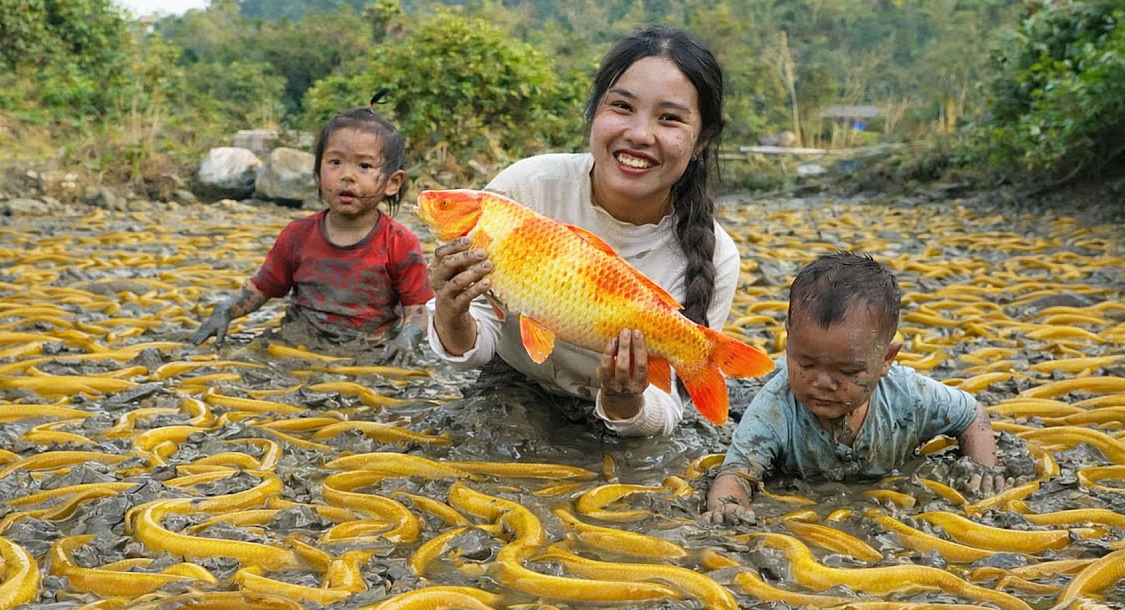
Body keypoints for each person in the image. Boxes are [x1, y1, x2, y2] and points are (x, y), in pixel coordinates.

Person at [426, 25, 740, 437]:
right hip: (515, 387)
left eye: (669, 118)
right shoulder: (525, 189)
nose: (640, 134)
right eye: (622, 107)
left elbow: (667, 407)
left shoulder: (717, 255)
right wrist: (451, 313)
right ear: (594, 111)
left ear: (701, 141)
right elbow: (474, 347)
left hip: (623, 417)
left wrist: (623, 398)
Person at [703, 252, 1006, 525]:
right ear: (789, 340)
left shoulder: (910, 395)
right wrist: (729, 506)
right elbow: (736, 473)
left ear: (886, 359)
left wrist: (982, 468)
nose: (823, 382)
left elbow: (972, 415)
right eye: (805, 365)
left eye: (847, 371)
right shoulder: (774, 408)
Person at [190, 100, 432, 363]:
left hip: (366, 351)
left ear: (393, 183)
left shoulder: (400, 243)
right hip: (298, 342)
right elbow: (263, 286)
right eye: (335, 162)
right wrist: (225, 309)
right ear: (317, 172)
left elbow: (418, 308)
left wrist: (407, 339)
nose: (346, 175)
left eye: (364, 166)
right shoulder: (297, 236)